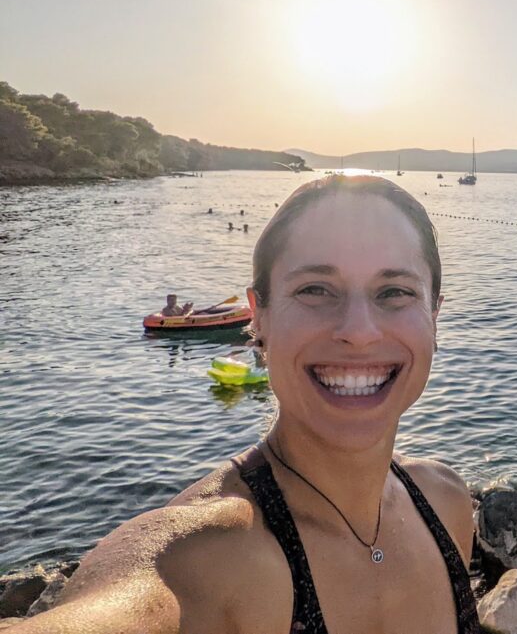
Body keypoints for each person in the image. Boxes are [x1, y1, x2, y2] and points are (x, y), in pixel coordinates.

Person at [15, 175, 480, 633]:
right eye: (315, 289)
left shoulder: (446, 503)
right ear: (260, 316)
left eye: (394, 292)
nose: (358, 331)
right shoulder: (206, 558)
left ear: (434, 315)